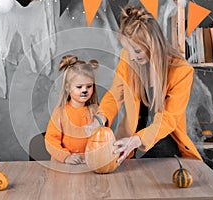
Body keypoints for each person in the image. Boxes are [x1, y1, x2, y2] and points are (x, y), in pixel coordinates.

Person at [86, 5, 202, 164]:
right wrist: (100, 117)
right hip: (130, 145)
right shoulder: (127, 58)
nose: (132, 57)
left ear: (153, 45)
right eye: (128, 50)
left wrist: (136, 140)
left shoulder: (182, 71)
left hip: (165, 146)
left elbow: (168, 120)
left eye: (137, 51)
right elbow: (114, 96)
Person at [45, 55, 99, 165]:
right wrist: (66, 157)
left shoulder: (96, 111)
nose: (85, 90)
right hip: (63, 165)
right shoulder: (60, 112)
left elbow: (102, 137)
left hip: (89, 165)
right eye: (79, 87)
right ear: (67, 87)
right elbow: (51, 140)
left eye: (89, 86)